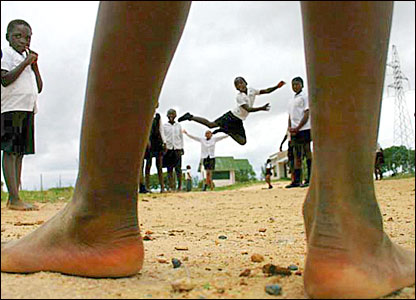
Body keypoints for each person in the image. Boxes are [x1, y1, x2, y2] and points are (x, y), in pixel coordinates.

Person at [1, 2, 414, 299]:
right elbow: (211, 124)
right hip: (226, 122)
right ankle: (347, 224)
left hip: (240, 120)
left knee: (227, 129)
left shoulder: (251, 92)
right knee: (216, 127)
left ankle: (98, 215)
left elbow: (261, 93)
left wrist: (264, 101)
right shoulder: (227, 103)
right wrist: (208, 117)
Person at [1, 19, 43, 211]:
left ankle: (15, 197)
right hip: (11, 108)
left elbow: (39, 88)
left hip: (27, 108)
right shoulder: (6, 54)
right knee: (10, 151)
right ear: (8, 37)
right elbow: (5, 80)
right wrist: (26, 62)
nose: (23, 41)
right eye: (17, 36)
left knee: (20, 152)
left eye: (27, 37)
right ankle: (14, 197)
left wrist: (34, 67)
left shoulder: (27, 57)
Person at [177, 77, 285, 145]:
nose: (240, 86)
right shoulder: (239, 97)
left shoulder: (252, 90)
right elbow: (248, 109)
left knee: (243, 142)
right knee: (211, 125)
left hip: (238, 120)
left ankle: (226, 130)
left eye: (241, 83)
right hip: (231, 116)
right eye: (237, 85)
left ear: (245, 83)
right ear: (236, 88)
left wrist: (277, 86)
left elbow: (265, 91)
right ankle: (190, 117)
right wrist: (261, 108)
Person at [285, 76, 312, 188]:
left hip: (304, 128)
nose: (295, 86)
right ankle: (296, 180)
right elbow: (290, 116)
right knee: (297, 155)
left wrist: (299, 127)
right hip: (294, 131)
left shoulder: (305, 97)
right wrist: (290, 128)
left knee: (307, 151)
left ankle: (310, 178)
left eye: (297, 84)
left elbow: (307, 113)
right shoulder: (291, 100)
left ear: (302, 85)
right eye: (293, 85)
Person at [143, 109, 166, 193]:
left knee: (159, 165)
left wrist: (164, 142)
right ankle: (147, 186)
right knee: (148, 165)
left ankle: (162, 187)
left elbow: (161, 129)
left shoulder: (158, 116)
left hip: (157, 141)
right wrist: (146, 140)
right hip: (148, 142)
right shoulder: (146, 114)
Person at [163, 108, 184, 192]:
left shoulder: (178, 125)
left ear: (175, 116)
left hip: (177, 148)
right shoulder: (164, 126)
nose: (171, 116)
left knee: (178, 168)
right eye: (170, 114)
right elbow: (164, 137)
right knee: (169, 169)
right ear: (167, 116)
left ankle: (179, 186)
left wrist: (182, 147)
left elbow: (181, 137)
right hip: (168, 149)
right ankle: (172, 186)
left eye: (173, 114)